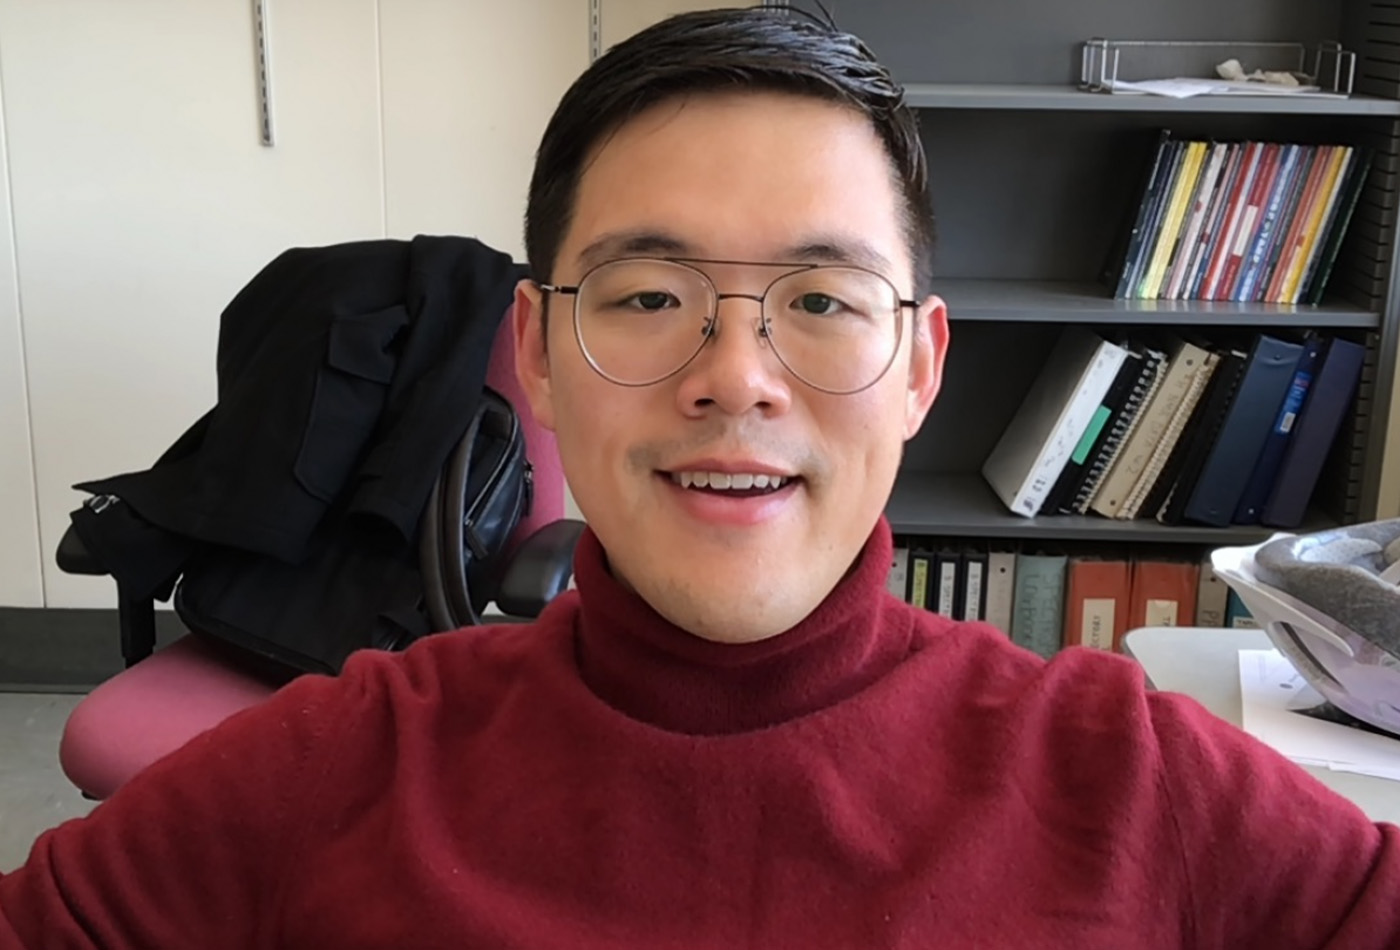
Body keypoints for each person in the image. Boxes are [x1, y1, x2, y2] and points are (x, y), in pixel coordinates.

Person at [2, 7, 1398, 947]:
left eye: (824, 299)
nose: (737, 373)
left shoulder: (1134, 776)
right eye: (651, 294)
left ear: (920, 368)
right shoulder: (343, 766)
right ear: (541, 359)